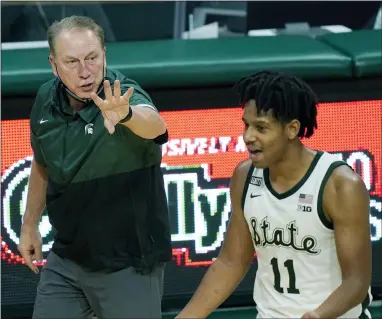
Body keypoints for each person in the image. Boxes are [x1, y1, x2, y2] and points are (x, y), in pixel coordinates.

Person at [176, 71, 373, 319]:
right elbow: (231, 263)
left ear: (292, 129)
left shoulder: (340, 185)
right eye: (246, 125)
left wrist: (319, 315)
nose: (248, 137)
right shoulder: (244, 176)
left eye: (261, 127)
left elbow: (356, 281)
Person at [17, 15, 172, 319]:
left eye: (92, 58)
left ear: (105, 55)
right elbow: (43, 163)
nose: (85, 71)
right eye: (71, 62)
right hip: (67, 259)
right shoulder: (45, 100)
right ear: (54, 65)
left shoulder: (123, 94)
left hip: (128, 264)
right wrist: (29, 225)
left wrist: (126, 115)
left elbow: (155, 126)